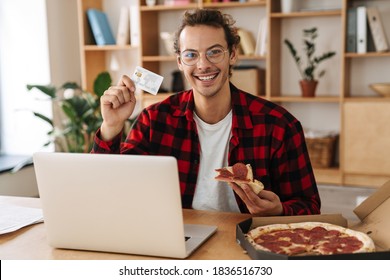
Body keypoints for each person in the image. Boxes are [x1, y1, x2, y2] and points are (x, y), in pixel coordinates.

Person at [92, 9, 321, 216]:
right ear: (180, 62)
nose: (203, 65)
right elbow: (112, 189)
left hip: (251, 240)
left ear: (232, 55)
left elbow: (309, 205)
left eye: (214, 52)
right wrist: (111, 127)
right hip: (177, 240)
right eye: (191, 55)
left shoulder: (280, 125)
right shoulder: (154, 120)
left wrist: (280, 210)